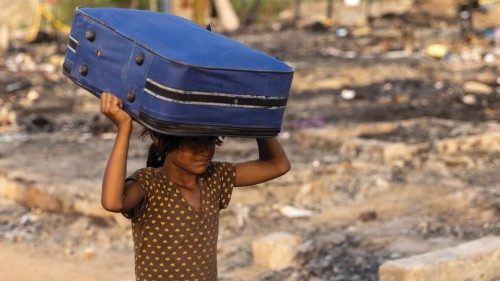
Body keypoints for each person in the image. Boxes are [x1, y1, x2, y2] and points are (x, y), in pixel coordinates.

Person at [99, 92, 290, 281]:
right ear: (162, 140)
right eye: (192, 140)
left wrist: (258, 119)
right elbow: (113, 202)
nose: (205, 150)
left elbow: (278, 165)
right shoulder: (150, 183)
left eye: (210, 139)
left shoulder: (214, 178)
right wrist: (124, 128)